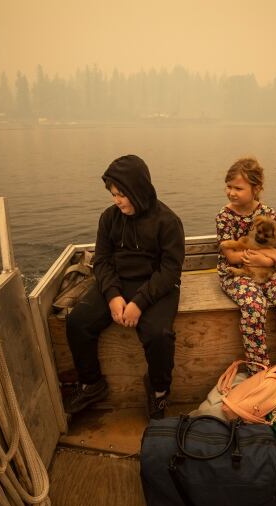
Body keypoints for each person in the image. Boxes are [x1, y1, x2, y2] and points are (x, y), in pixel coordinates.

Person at [64, 154, 185, 419]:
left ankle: (159, 392)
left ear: (137, 190)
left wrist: (139, 303)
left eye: (121, 194)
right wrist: (112, 296)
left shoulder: (168, 221)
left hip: (157, 286)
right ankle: (92, 383)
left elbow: (170, 271)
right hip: (117, 282)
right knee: (77, 322)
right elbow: (102, 261)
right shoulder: (109, 218)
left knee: (159, 335)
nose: (116, 200)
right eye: (113, 194)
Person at [217, 157, 276, 376]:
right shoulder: (224, 216)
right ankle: (260, 374)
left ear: (256, 188)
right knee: (254, 306)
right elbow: (231, 256)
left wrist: (267, 260)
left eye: (238, 188)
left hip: (267, 269)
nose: (231, 192)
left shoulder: (268, 214)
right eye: (228, 186)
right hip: (236, 274)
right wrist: (259, 257)